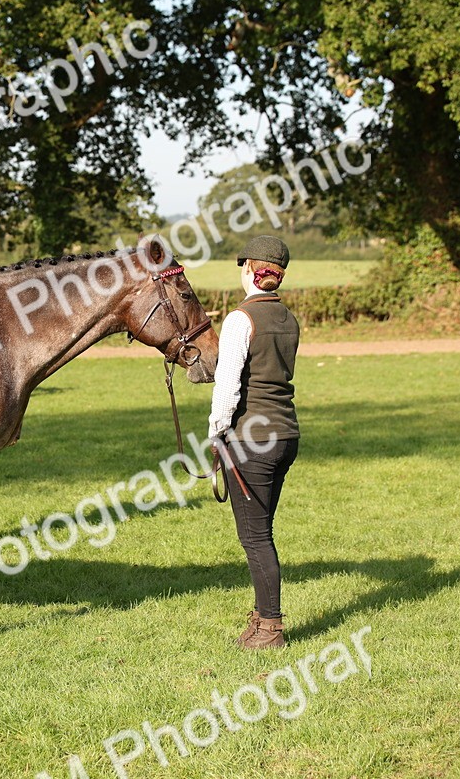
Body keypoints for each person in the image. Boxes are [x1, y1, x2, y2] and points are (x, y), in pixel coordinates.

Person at [208, 235, 300, 650]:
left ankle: (270, 629)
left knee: (256, 537)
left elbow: (227, 386)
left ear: (248, 269)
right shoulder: (288, 318)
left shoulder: (239, 319)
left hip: (252, 440)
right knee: (262, 531)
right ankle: (263, 617)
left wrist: (216, 431)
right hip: (286, 435)